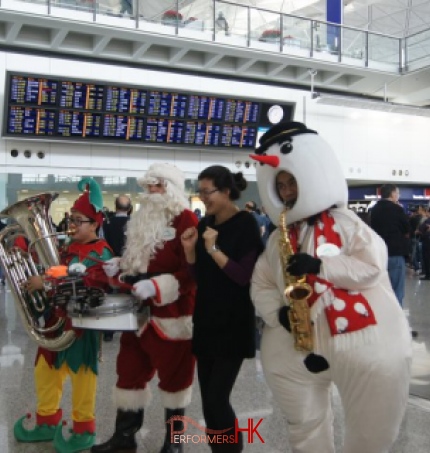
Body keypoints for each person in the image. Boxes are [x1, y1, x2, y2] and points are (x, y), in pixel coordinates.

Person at [250, 121, 412, 453]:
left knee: (372, 429)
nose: (286, 192)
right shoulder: (279, 237)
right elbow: (261, 281)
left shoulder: (346, 223)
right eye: (279, 186)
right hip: (299, 344)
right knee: (305, 427)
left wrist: (321, 266)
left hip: (358, 334)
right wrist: (277, 313)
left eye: (291, 182)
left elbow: (371, 266)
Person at [92, 163, 198, 453]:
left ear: (172, 189)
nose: (151, 192)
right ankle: (124, 438)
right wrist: (121, 265)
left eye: (158, 185)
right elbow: (139, 258)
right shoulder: (141, 219)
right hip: (137, 314)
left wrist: (159, 286)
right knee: (129, 372)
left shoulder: (186, 219)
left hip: (173, 316)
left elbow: (193, 272)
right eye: (148, 186)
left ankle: (174, 444)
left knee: (176, 381)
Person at [13, 177, 113, 453]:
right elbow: (50, 267)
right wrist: (21, 246)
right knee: (45, 374)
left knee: (82, 380)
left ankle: (84, 428)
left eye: (78, 220)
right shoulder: (66, 247)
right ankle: (47, 419)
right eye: (71, 218)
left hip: (80, 327)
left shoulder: (102, 252)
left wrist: (45, 284)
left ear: (95, 223)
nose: (71, 223)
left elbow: (89, 283)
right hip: (54, 324)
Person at [181, 165, 264, 452]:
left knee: (218, 398)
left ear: (226, 191)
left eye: (208, 192)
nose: (203, 198)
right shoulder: (206, 225)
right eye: (200, 192)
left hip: (233, 322)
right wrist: (191, 251)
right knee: (207, 400)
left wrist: (214, 250)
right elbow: (199, 278)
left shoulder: (246, 224)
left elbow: (243, 276)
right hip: (206, 319)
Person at [369, 184, 410, 305]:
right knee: (397, 290)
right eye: (397, 193)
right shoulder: (397, 209)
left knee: (382, 289)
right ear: (392, 194)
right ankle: (397, 320)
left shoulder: (375, 209)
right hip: (395, 253)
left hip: (379, 254)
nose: (398, 195)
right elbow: (407, 228)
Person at [102, 195, 133, 341]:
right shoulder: (134, 223)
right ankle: (129, 326)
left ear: (115, 207)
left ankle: (108, 331)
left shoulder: (106, 223)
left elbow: (101, 242)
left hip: (110, 262)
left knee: (110, 296)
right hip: (129, 263)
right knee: (128, 294)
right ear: (130, 208)